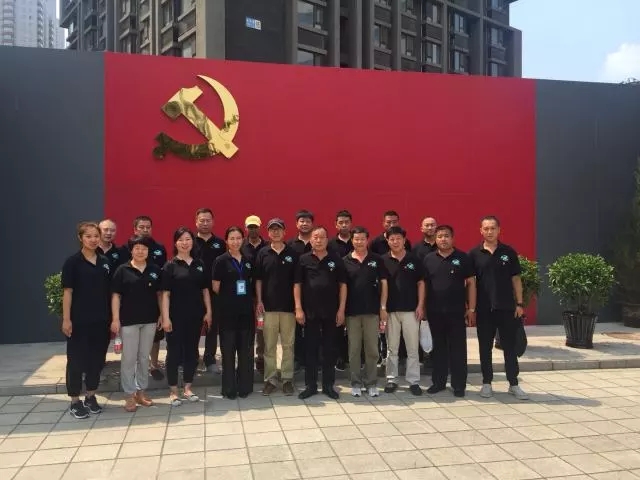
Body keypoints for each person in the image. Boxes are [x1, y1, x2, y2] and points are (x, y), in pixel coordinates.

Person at [469, 215, 529, 400]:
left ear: (499, 230)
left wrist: (520, 303)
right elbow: (471, 283)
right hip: (484, 309)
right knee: (485, 348)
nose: (489, 232)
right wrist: (471, 309)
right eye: (486, 228)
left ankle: (513, 384)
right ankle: (487, 383)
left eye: (492, 228)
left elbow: (516, 279)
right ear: (481, 231)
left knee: (509, 347)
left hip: (507, 308)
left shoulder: (508, 252)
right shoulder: (474, 254)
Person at [61, 222, 111, 419]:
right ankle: (75, 400)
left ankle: (91, 396)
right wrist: (66, 319)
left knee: (96, 360)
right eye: (88, 236)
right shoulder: (72, 262)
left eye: (96, 236)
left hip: (101, 320)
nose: (93, 239)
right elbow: (68, 292)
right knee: (76, 360)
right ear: (80, 238)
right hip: (79, 321)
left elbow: (110, 292)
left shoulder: (104, 261)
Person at [110, 235, 162, 411]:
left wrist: (162, 315)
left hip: (150, 320)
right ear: (131, 250)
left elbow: (160, 295)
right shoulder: (122, 270)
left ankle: (141, 392)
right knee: (129, 358)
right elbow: (116, 296)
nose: (140, 251)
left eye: (144, 249)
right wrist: (115, 318)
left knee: (144, 357)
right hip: (128, 321)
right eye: (137, 248)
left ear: (148, 251)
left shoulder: (155, 269)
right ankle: (129, 395)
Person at [161, 227, 212, 406]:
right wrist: (165, 317)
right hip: (175, 317)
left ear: (193, 242)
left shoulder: (199, 264)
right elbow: (165, 294)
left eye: (188, 239)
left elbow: (205, 290)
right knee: (174, 353)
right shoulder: (170, 266)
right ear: (175, 243)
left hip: (195, 316)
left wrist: (209, 311)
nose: (185, 243)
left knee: (192, 351)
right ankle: (173, 390)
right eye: (181, 240)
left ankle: (188, 388)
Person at [294, 226, 347, 400]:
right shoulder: (303, 259)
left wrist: (341, 309)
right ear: (311, 240)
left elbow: (343, 285)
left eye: (322, 237)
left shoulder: (335, 259)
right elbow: (297, 285)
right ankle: (311, 385)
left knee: (329, 349)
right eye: (315, 237)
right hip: (310, 312)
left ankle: (328, 385)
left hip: (331, 312)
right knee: (311, 349)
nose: (318, 240)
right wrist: (298, 308)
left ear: (327, 239)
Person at [423, 225, 476, 398]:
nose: (443, 239)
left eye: (446, 236)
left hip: (456, 312)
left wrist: (471, 308)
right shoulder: (428, 259)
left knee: (458, 349)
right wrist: (422, 307)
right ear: (435, 239)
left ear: (452, 238)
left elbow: (471, 284)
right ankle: (438, 382)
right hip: (434, 311)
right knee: (438, 349)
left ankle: (458, 385)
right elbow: (423, 286)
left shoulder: (463, 257)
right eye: (439, 236)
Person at [255, 218, 298, 396]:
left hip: (288, 308)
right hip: (269, 308)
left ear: (284, 231)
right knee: (269, 346)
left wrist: (297, 305)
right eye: (272, 229)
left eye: (278, 229)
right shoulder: (263, 253)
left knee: (288, 346)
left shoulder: (292, 253)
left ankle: (287, 379)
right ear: (268, 232)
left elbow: (297, 282)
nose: (275, 232)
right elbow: (258, 279)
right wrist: (259, 300)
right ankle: (270, 379)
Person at [343, 227, 388, 397]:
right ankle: (355, 382)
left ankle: (371, 382)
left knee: (372, 349)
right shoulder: (345, 261)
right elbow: (342, 287)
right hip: (352, 313)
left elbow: (384, 284)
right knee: (354, 349)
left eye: (362, 239)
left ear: (367, 240)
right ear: (352, 240)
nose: (359, 242)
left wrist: (383, 308)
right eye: (356, 239)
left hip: (372, 312)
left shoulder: (376, 260)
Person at [212, 226, 256, 399]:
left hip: (246, 312)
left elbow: (251, 282)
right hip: (227, 313)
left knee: (245, 351)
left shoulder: (248, 259)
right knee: (228, 351)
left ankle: (244, 387)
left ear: (243, 240)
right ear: (226, 241)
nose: (236, 241)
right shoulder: (221, 260)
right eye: (232, 238)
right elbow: (216, 287)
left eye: (238, 238)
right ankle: (229, 388)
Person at [381, 226, 425, 396]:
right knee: (392, 348)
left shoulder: (414, 259)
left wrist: (420, 305)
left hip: (411, 310)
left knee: (412, 348)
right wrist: (382, 308)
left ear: (404, 240)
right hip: (391, 311)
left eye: (398, 238)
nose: (395, 242)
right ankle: (391, 379)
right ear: (387, 241)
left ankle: (413, 381)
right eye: (392, 239)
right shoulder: (383, 260)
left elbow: (421, 283)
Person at [132, 215, 167, 381]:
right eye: (141, 227)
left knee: (155, 335)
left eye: (148, 227)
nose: (145, 230)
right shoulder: (128, 248)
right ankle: (138, 365)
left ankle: (154, 365)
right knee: (135, 335)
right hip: (134, 299)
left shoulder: (159, 248)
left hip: (155, 297)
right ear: (135, 229)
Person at [193, 208, 226, 374]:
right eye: (202, 220)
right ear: (196, 222)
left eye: (208, 220)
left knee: (212, 326)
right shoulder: (189, 241)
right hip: (194, 292)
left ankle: (210, 358)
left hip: (215, 292)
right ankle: (192, 357)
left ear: (213, 222)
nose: (205, 223)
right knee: (194, 325)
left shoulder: (220, 243)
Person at [287, 209, 314, 371]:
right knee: (296, 327)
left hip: (314, 292)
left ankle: (314, 359)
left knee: (314, 327)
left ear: (312, 224)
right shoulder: (290, 245)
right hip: (296, 291)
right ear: (297, 224)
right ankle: (298, 359)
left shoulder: (318, 242)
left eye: (308, 221)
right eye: (301, 221)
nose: (304, 224)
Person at [241, 215, 267, 373]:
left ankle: (261, 357)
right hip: (244, 294)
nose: (253, 230)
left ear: (260, 227)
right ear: (246, 228)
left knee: (261, 326)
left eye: (255, 227)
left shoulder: (267, 246)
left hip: (262, 295)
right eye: (250, 227)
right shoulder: (241, 246)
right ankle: (247, 356)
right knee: (246, 326)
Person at [328, 210, 353, 372]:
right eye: (341, 222)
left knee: (353, 326)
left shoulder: (357, 240)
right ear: (336, 225)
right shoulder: (330, 244)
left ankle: (353, 357)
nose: (344, 225)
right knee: (337, 325)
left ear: (351, 223)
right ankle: (338, 357)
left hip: (356, 289)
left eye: (346, 222)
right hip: (336, 289)